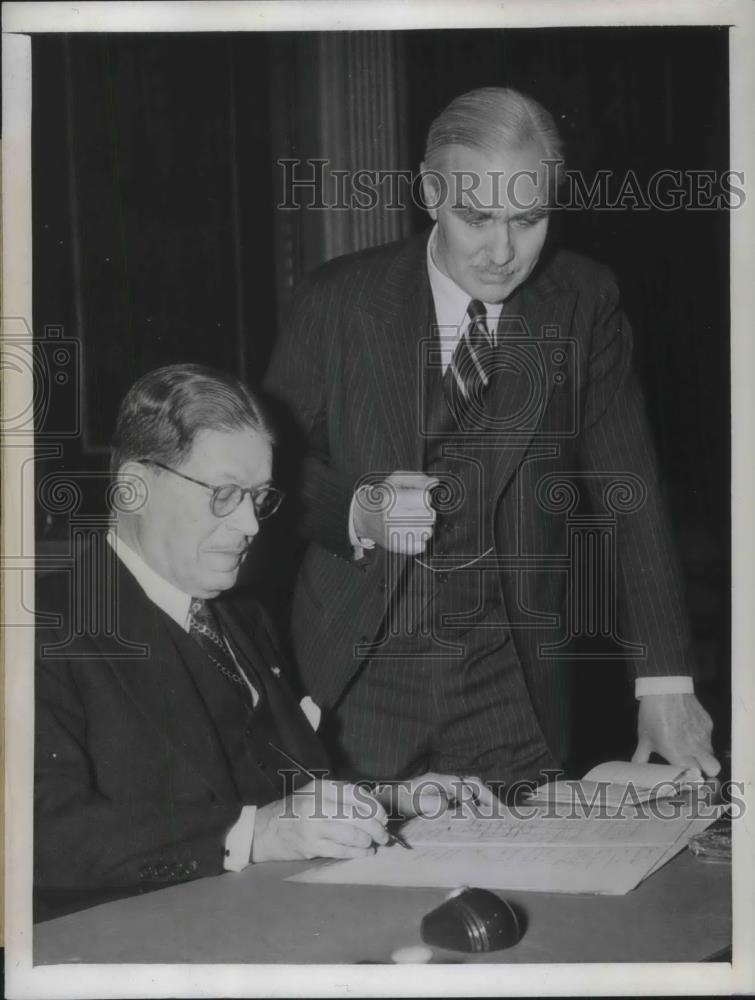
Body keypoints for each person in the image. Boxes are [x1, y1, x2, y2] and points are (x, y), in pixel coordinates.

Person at [264, 87, 720, 788]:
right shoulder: (337, 301)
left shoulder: (583, 301)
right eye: (475, 217)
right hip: (358, 681)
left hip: (512, 691)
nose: (503, 251)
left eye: (528, 219)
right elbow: (268, 472)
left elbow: (630, 494)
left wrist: (664, 682)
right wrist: (355, 508)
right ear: (429, 193)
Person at [34, 364, 483, 921]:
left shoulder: (242, 616)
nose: (250, 524)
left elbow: (279, 786)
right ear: (135, 489)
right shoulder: (44, 625)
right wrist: (255, 832)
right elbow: (37, 834)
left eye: (259, 498)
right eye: (224, 494)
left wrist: (394, 799)